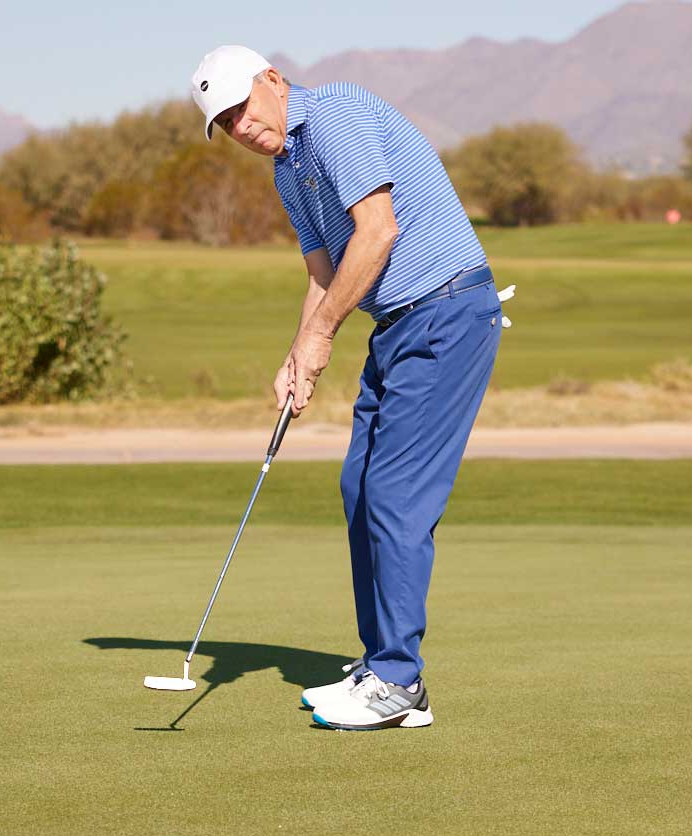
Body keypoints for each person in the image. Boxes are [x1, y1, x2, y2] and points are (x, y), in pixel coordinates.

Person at [190, 45, 509, 731]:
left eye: (244, 106)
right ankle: (381, 664)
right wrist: (299, 356)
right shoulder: (288, 169)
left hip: (448, 312)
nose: (242, 127)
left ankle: (399, 682)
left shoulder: (334, 117)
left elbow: (378, 231)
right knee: (359, 487)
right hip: (398, 326)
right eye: (226, 123)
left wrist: (324, 335)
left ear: (273, 80)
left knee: (395, 494)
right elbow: (322, 270)